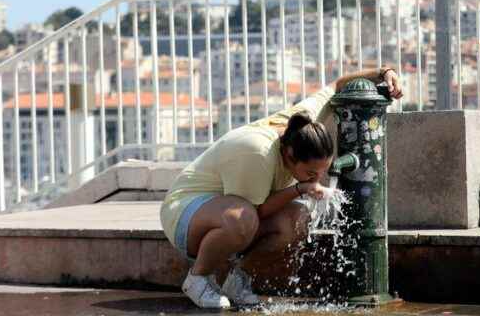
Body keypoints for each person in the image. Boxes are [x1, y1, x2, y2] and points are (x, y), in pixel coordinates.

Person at [159, 67, 403, 309]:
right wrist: (300, 189)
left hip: (228, 210)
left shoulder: (305, 124)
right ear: (289, 154)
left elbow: (337, 86)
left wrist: (384, 73)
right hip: (185, 214)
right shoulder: (258, 152)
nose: (317, 178)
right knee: (242, 218)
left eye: (321, 171)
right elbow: (256, 214)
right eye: (310, 173)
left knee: (299, 218)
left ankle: (238, 281)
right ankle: (198, 278)